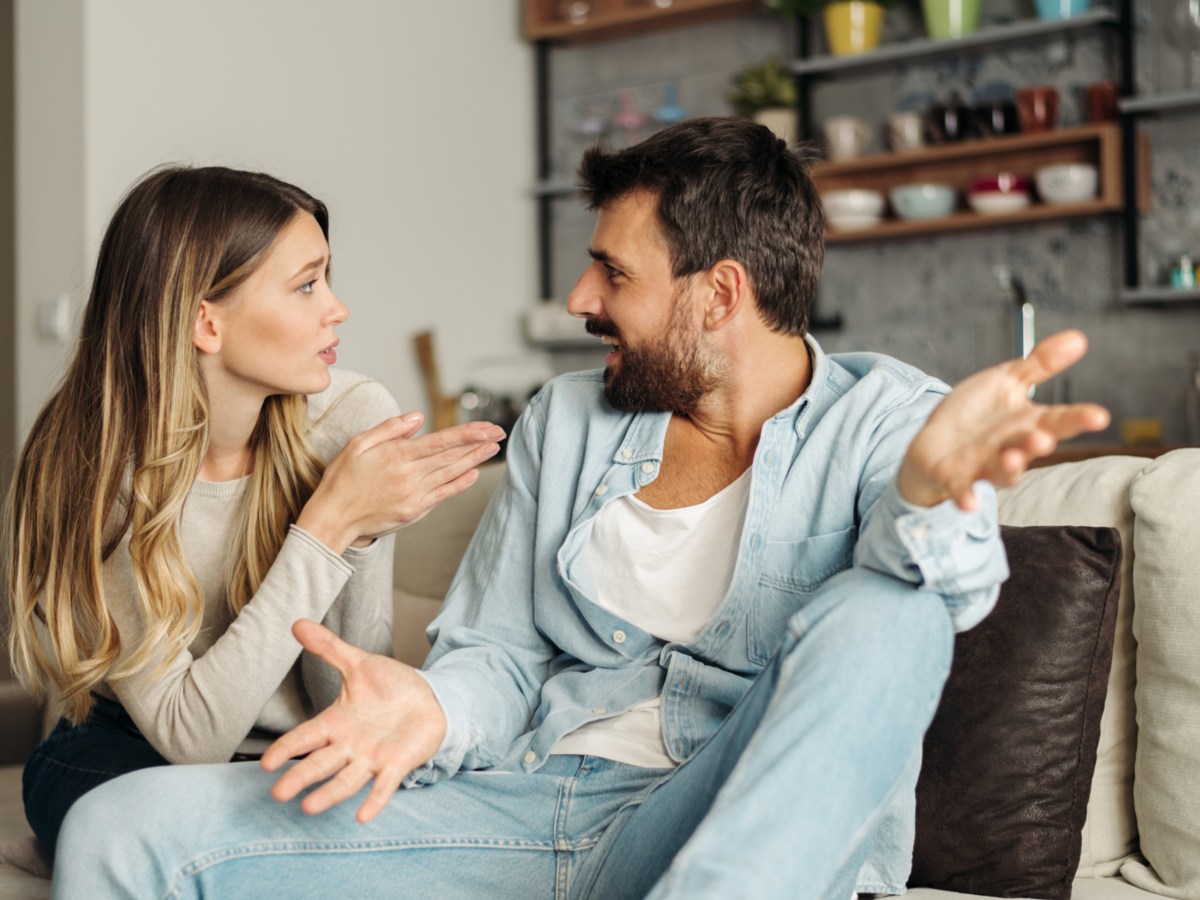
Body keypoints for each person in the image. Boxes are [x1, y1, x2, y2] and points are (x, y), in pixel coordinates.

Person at [51, 120, 1109, 899]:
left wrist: (925, 500)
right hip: (516, 805)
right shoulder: (567, 419)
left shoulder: (890, 423)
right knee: (116, 826)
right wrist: (434, 711)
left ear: (719, 294)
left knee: (889, 607)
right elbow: (497, 657)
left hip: (710, 823)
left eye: (611, 272)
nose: (579, 301)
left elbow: (943, 603)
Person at [3, 165, 504, 858]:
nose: (337, 309)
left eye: (326, 278)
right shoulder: (96, 465)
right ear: (205, 322)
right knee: (154, 814)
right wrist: (327, 525)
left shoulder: (350, 419)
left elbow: (341, 694)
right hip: (129, 748)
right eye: (306, 285)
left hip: (301, 743)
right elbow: (190, 740)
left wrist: (356, 534)